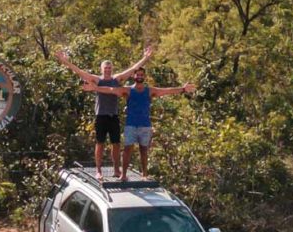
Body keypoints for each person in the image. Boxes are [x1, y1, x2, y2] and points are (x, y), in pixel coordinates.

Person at [54, 46, 153, 179]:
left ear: (112, 70)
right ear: (101, 70)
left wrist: (145, 58)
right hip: (101, 115)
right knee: (100, 143)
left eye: (109, 68)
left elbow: (133, 69)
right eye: (105, 68)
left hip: (113, 115)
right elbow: (79, 72)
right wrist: (64, 61)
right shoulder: (97, 80)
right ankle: (99, 170)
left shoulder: (116, 80)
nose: (107, 70)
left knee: (116, 144)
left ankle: (117, 170)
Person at [79, 67, 195, 180]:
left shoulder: (150, 91)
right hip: (131, 125)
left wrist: (183, 89)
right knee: (127, 150)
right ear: (134, 76)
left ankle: (144, 175)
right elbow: (110, 90)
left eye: (141, 75)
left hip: (145, 125)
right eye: (137, 75)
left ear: (144, 77)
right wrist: (95, 88)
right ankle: (123, 175)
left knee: (144, 150)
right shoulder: (128, 90)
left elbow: (166, 91)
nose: (139, 77)